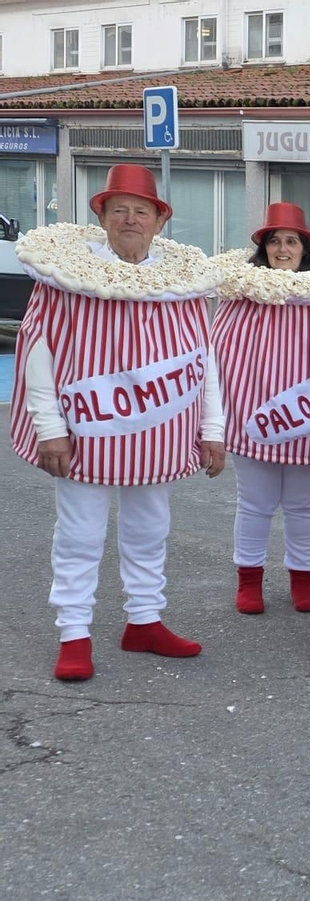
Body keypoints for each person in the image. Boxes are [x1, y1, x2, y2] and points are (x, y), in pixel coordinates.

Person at [11, 164, 225, 681]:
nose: (131, 219)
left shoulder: (183, 285)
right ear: (102, 217)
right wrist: (49, 427)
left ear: (160, 220)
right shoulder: (65, 277)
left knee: (150, 529)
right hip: (86, 427)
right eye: (119, 209)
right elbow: (38, 350)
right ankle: (74, 632)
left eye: (141, 211)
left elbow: (206, 359)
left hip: (160, 428)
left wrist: (213, 429)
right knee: (80, 533)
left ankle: (144, 621)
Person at [212, 202, 310, 615]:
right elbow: (224, 352)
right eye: (274, 241)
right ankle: (249, 580)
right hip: (254, 413)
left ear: (306, 249)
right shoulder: (243, 294)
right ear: (263, 248)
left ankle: (302, 578)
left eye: (291, 241)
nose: (282, 249)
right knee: (255, 503)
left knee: (304, 505)